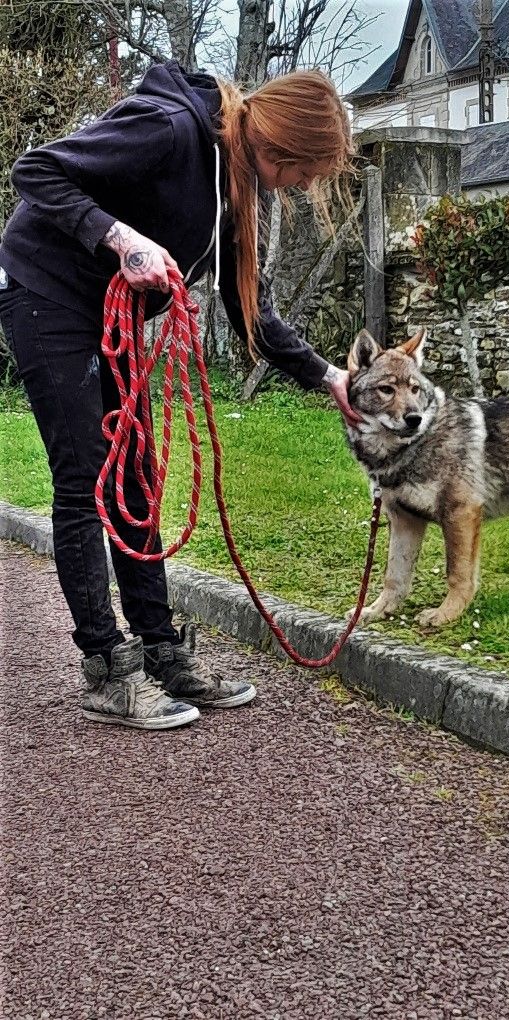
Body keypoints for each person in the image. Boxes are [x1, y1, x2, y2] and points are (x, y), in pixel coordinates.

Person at [0, 60, 363, 731]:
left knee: (136, 478)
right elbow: (35, 172)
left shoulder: (233, 183)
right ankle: (108, 672)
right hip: (46, 296)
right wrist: (120, 237)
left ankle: (163, 653)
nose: (302, 187)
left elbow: (250, 312)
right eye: (305, 174)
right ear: (280, 146)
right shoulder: (168, 128)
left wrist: (330, 377)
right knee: (85, 480)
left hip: (105, 317)